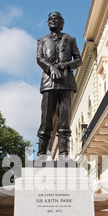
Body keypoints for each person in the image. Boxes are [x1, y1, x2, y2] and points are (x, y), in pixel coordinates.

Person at [36, 12, 82, 157]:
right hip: (49, 83)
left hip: (66, 82)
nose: (52, 21)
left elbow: (79, 60)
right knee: (46, 118)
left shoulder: (70, 39)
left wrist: (66, 65)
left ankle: (63, 152)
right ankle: (42, 152)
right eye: (50, 19)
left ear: (62, 23)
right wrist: (51, 68)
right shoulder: (42, 40)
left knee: (64, 119)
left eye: (56, 19)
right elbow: (39, 58)